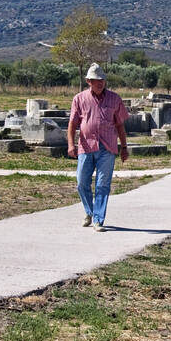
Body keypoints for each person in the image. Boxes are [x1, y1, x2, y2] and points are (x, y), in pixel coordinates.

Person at [67, 63, 129, 231]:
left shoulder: (114, 99)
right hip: (86, 146)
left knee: (103, 184)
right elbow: (72, 124)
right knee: (81, 182)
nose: (100, 83)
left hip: (107, 148)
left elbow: (120, 125)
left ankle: (98, 219)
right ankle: (90, 211)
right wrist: (71, 144)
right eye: (96, 80)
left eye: (102, 79)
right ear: (88, 81)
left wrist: (124, 147)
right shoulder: (79, 99)